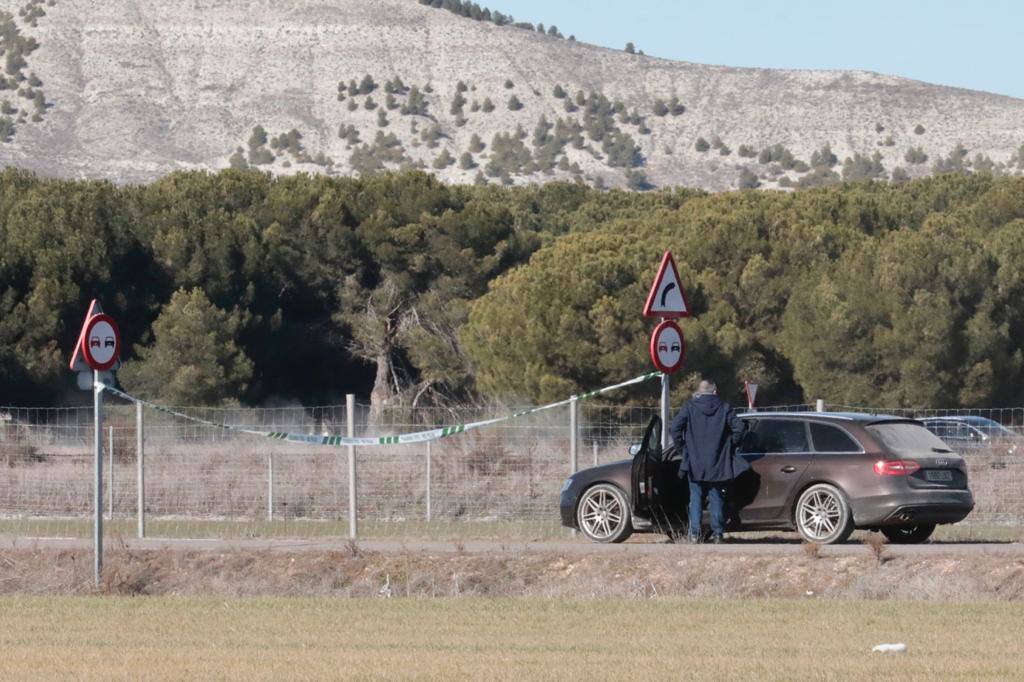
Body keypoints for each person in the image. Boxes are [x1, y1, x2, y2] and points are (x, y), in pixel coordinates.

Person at [670, 379, 749, 543]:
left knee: (696, 498)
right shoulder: (725, 407)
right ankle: (718, 534)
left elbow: (675, 427)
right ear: (715, 391)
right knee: (716, 497)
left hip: (694, 461)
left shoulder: (689, 407)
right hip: (718, 460)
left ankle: (694, 534)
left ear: (699, 391)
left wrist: (683, 449)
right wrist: (731, 444)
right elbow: (740, 429)